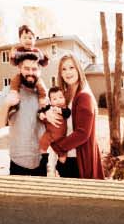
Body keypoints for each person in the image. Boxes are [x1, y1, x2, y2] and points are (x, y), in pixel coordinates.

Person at [44, 51, 106, 182]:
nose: (68, 72)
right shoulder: (64, 95)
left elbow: (82, 133)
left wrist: (58, 147)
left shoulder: (84, 96)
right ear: (60, 74)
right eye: (64, 69)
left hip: (78, 160)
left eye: (71, 67)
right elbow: (48, 109)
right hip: (66, 158)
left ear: (78, 69)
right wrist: (46, 113)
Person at [0, 51, 47, 176]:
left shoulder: (44, 95)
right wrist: (7, 104)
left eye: (34, 69)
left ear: (39, 71)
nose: (30, 72)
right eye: (26, 68)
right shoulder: (10, 91)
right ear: (20, 69)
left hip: (41, 160)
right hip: (18, 161)